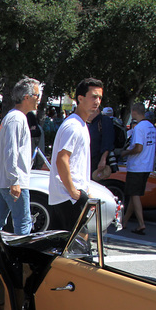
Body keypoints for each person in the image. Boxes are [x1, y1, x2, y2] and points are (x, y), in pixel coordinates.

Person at [48, 78, 103, 231]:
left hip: (71, 196)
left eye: (99, 98)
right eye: (93, 96)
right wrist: (73, 191)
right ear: (80, 98)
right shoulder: (73, 126)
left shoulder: (81, 125)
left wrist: (86, 191)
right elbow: (62, 159)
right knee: (78, 247)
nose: (97, 101)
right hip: (68, 197)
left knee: (65, 248)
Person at [0, 77, 42, 235]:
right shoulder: (17, 119)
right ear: (27, 97)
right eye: (37, 96)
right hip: (13, 181)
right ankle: (22, 257)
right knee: (23, 223)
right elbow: (11, 150)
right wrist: (15, 180)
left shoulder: (13, 117)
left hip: (4, 181)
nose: (38, 100)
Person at [119, 102, 156, 234]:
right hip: (147, 165)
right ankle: (124, 221)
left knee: (135, 195)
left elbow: (138, 147)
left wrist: (125, 153)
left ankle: (141, 223)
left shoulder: (139, 128)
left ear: (134, 112)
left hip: (137, 165)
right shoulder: (151, 126)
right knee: (133, 194)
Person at [88, 106, 116, 180]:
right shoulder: (92, 123)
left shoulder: (104, 120)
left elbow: (108, 140)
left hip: (98, 159)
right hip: (91, 159)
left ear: (97, 111)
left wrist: (103, 159)